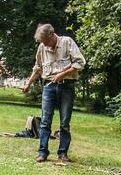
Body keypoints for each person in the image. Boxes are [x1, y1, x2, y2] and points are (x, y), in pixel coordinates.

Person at [22, 23, 86, 163]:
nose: (45, 45)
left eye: (46, 41)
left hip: (66, 86)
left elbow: (80, 63)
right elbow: (38, 68)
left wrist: (62, 75)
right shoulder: (42, 47)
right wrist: (28, 84)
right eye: (42, 43)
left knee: (64, 122)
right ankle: (42, 153)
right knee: (45, 121)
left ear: (53, 35)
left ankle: (63, 153)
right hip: (48, 87)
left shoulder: (67, 42)